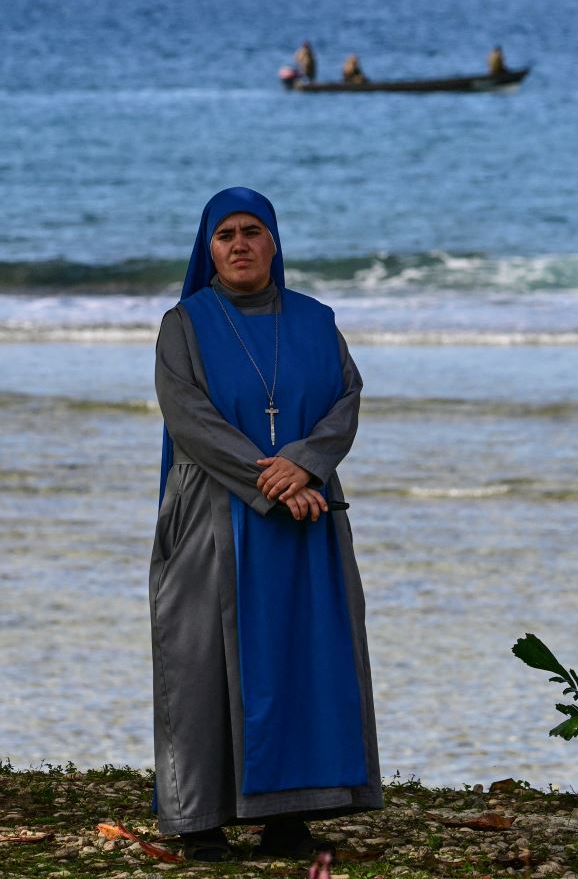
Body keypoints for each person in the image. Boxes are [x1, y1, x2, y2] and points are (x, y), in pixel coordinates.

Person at [152, 187, 380, 862]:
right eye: (226, 235)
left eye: (253, 231)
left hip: (307, 513)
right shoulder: (184, 325)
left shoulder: (315, 321)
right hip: (211, 513)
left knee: (308, 656)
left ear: (274, 243)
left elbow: (346, 398)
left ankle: (294, 815)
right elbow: (188, 417)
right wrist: (269, 479)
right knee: (202, 661)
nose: (241, 244)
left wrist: (304, 465)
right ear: (208, 249)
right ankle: (200, 821)